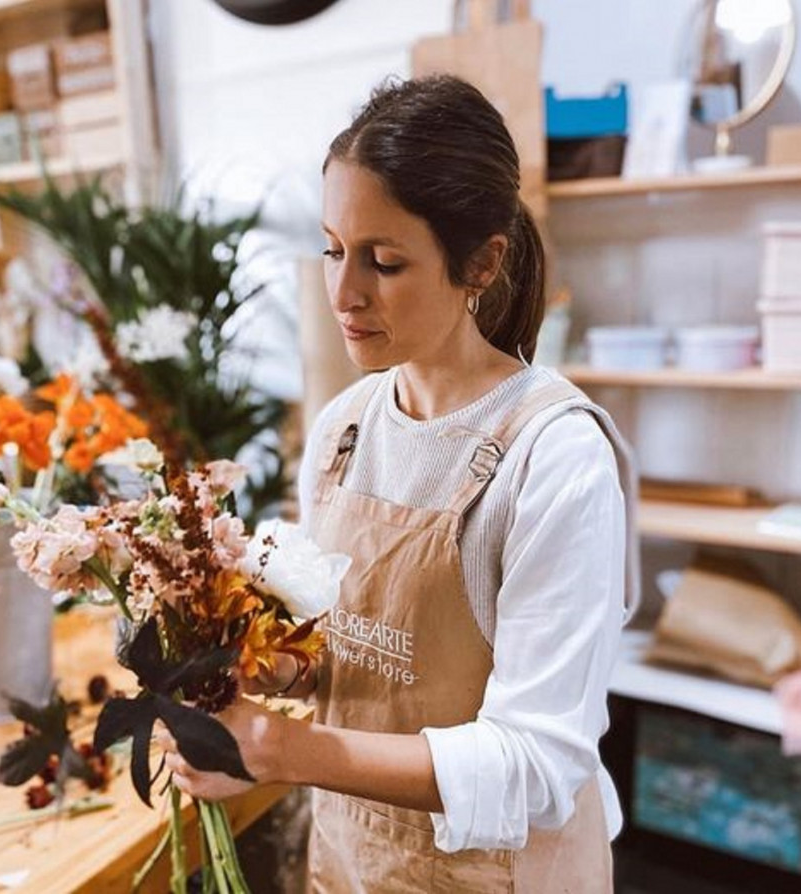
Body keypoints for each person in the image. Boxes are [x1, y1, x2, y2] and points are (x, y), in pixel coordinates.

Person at [161, 74, 639, 893]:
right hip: (356, 862)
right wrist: (270, 671)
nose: (345, 294)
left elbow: (537, 763)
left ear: (481, 263)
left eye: (383, 261)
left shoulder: (552, 459)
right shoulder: (345, 429)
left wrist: (283, 749)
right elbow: (352, 658)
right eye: (332, 249)